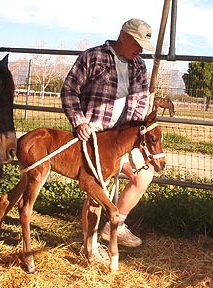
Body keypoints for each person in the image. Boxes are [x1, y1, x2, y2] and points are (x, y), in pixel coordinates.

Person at [60, 18, 155, 261]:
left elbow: (142, 99)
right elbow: (69, 89)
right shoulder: (93, 57)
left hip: (124, 139)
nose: (141, 50)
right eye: (138, 43)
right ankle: (90, 247)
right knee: (96, 190)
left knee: (144, 174)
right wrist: (80, 121)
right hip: (96, 136)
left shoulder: (139, 65)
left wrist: (132, 134)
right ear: (123, 36)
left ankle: (116, 222)